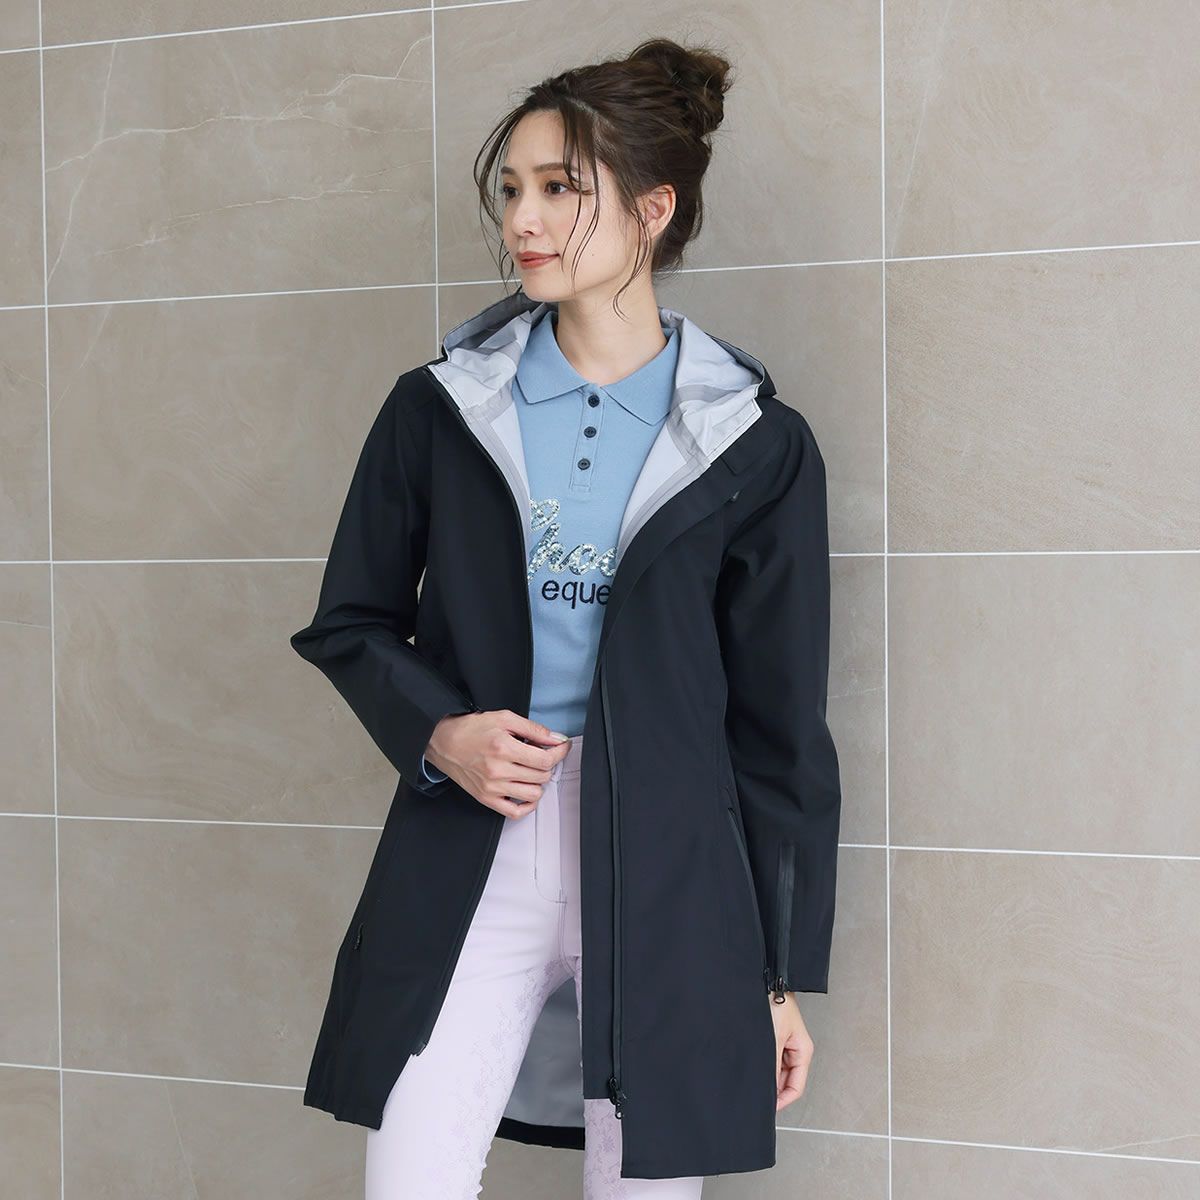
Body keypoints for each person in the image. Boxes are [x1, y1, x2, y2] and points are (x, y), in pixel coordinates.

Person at [291, 36, 841, 1200]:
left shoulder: (755, 444)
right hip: (473, 838)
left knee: (644, 1186)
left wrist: (775, 975)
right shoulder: (443, 409)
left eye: (559, 188)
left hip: (671, 859)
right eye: (512, 190)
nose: (523, 221)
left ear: (653, 208)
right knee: (411, 1175)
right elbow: (351, 621)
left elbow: (780, 726)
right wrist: (443, 732)